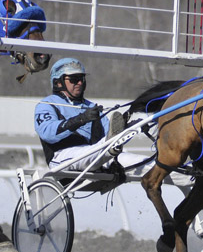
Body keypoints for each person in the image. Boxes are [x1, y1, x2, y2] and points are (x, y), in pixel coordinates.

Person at [34, 57, 192, 188]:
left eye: (82, 79)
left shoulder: (90, 107)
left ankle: (190, 175)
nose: (80, 83)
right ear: (58, 83)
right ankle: (109, 150)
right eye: (74, 79)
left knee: (149, 163)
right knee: (104, 147)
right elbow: (48, 133)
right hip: (63, 158)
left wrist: (130, 128)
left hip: (100, 155)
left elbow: (109, 133)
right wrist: (80, 119)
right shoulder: (47, 105)